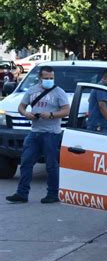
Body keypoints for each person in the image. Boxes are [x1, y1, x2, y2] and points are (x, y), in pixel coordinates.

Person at [6, 66, 70, 204]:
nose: (49, 80)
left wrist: (51, 115)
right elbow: (21, 107)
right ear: (40, 78)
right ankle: (22, 193)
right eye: (46, 78)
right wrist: (26, 114)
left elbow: (66, 111)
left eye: (51, 78)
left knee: (51, 165)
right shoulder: (32, 90)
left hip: (51, 134)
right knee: (26, 162)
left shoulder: (59, 92)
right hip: (34, 132)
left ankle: (52, 194)